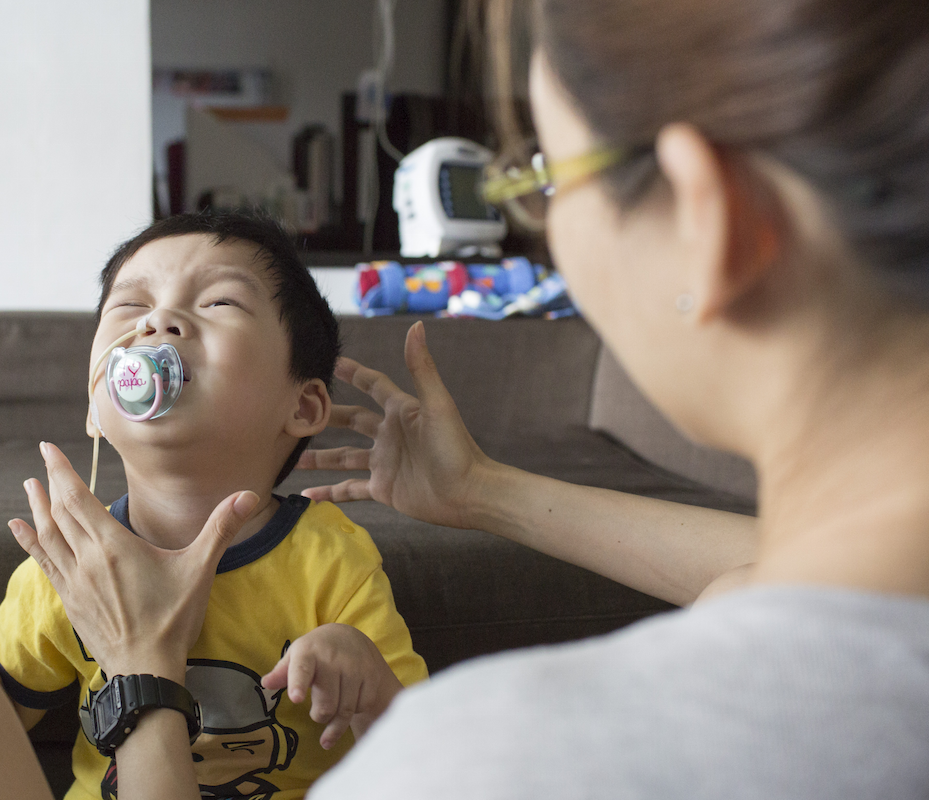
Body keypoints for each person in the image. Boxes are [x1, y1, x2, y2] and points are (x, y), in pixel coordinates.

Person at [300, 0, 929, 796]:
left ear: (707, 217)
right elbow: (783, 568)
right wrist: (483, 492)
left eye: (546, 179)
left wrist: (145, 681)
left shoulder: (478, 765)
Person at [0, 213, 426, 800]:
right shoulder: (70, 566)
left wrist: (365, 678)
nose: (156, 323)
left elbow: (426, 754)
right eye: (132, 306)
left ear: (304, 407)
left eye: (220, 301)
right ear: (96, 405)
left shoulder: (328, 556)